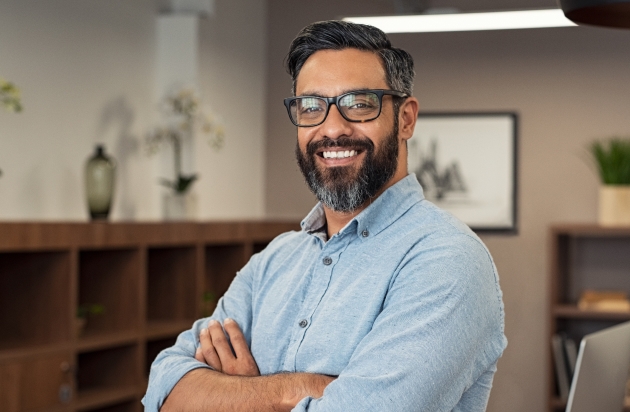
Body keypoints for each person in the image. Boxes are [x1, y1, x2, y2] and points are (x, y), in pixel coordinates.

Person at [143, 20, 507, 412]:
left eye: (359, 103)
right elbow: (164, 390)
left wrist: (238, 394)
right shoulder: (273, 262)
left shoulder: (447, 260)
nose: (332, 129)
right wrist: (294, 390)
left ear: (406, 119)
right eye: (312, 107)